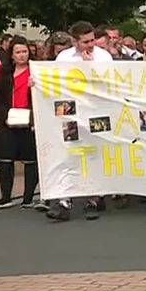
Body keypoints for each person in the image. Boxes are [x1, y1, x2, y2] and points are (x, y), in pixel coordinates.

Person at [49, 21, 113, 221]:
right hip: (71, 111)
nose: (91, 44)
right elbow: (56, 82)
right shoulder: (64, 57)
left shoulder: (104, 57)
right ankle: (63, 201)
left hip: (96, 111)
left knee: (94, 154)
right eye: (85, 42)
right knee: (67, 153)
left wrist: (89, 67)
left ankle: (93, 198)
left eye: (92, 40)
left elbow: (110, 84)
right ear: (75, 41)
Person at [0, 36, 39, 209]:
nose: (21, 55)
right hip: (8, 120)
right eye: (18, 52)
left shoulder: (36, 72)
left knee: (30, 160)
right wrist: (4, 116)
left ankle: (28, 197)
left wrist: (35, 87)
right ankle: (5, 196)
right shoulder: (5, 75)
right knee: (5, 159)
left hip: (29, 120)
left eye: (24, 51)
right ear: (11, 55)